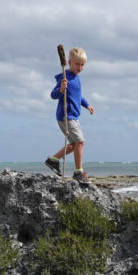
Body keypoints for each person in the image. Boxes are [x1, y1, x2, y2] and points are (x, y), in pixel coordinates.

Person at [45, 47, 94, 182]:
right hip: (66, 116)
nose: (80, 67)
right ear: (69, 62)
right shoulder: (64, 76)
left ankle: (53, 160)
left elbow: (78, 96)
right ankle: (78, 172)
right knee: (80, 142)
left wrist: (87, 105)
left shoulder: (77, 79)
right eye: (77, 64)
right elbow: (53, 95)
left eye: (82, 64)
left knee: (74, 145)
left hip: (73, 116)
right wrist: (61, 89)